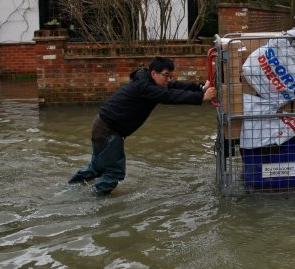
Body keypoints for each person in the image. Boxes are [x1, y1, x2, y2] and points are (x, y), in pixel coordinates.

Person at [68, 56, 217, 195]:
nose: (169, 79)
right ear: (154, 73)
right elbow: (169, 96)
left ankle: (71, 188)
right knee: (114, 173)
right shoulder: (146, 88)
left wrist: (199, 88)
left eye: (170, 75)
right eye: (166, 75)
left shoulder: (148, 81)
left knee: (97, 167)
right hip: (109, 131)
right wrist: (201, 97)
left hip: (102, 126)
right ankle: (94, 201)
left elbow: (174, 86)